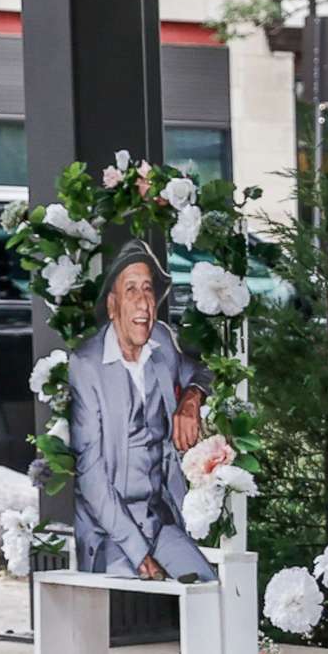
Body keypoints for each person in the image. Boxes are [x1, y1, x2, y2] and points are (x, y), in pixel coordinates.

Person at [66, 244, 213, 580]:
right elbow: (91, 477)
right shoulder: (87, 365)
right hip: (113, 533)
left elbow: (203, 373)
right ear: (113, 305)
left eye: (148, 290)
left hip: (160, 521)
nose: (143, 302)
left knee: (207, 590)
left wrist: (192, 398)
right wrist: (139, 552)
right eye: (130, 289)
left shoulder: (160, 341)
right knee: (132, 603)